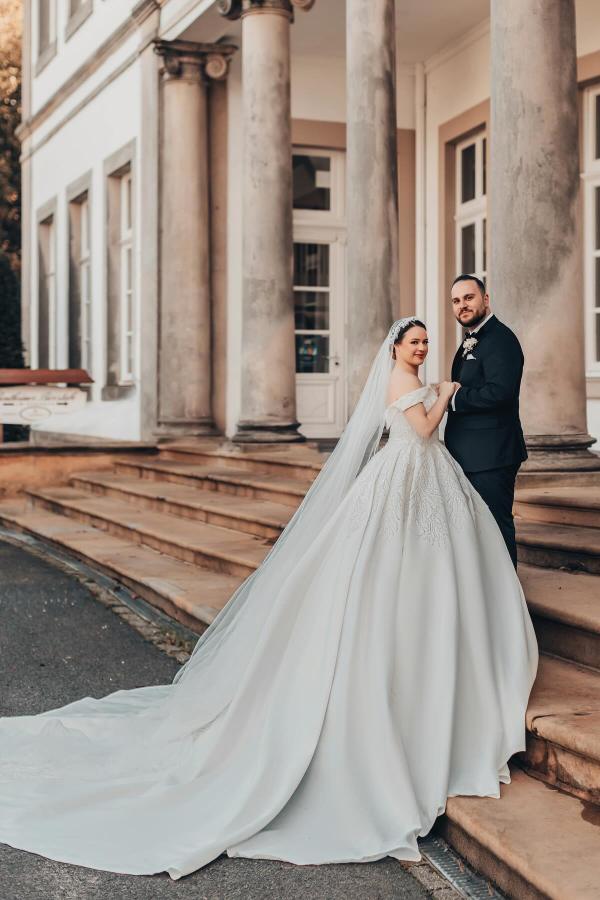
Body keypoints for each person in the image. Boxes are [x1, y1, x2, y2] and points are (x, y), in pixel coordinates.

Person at [0, 318, 538, 880]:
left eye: (427, 341)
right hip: (406, 477)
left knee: (439, 571)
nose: (423, 348)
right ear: (397, 349)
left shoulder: (411, 380)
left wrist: (441, 391)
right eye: (415, 342)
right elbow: (423, 433)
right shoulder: (403, 384)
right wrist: (446, 393)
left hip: (427, 481)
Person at [444, 275, 528, 568]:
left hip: (492, 455)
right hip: (472, 455)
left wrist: (454, 398)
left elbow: (500, 392)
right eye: (456, 301)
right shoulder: (473, 338)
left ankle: (508, 605)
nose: (462, 305)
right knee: (479, 533)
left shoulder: (501, 339)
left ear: (486, 299)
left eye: (468, 298)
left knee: (496, 530)